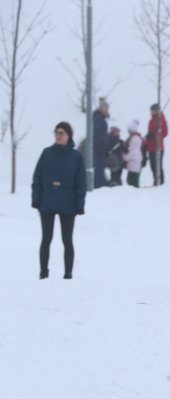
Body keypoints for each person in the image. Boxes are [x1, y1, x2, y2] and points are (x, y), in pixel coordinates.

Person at [32, 121, 86, 280]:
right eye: (56, 132)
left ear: (69, 135)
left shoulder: (76, 157)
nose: (58, 135)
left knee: (67, 240)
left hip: (68, 204)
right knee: (46, 239)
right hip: (47, 203)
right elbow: (37, 178)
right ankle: (43, 273)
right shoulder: (47, 153)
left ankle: (68, 274)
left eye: (61, 133)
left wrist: (79, 204)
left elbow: (81, 183)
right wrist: (36, 199)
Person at [145, 103, 168, 185]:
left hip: (158, 147)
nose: (151, 112)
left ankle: (160, 182)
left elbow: (165, 133)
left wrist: (154, 135)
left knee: (157, 165)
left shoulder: (161, 120)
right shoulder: (151, 121)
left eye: (152, 111)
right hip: (151, 147)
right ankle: (156, 181)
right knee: (152, 166)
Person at [92, 97, 110, 188]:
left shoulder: (101, 119)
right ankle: (98, 185)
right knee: (98, 167)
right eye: (106, 108)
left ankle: (100, 184)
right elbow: (99, 134)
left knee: (100, 167)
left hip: (100, 147)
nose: (107, 110)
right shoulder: (98, 119)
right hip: (98, 147)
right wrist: (103, 145)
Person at [123, 120, 144, 188]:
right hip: (135, 163)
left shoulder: (134, 139)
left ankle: (135, 195)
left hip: (133, 163)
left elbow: (132, 152)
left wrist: (124, 157)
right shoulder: (137, 138)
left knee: (132, 182)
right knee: (133, 181)